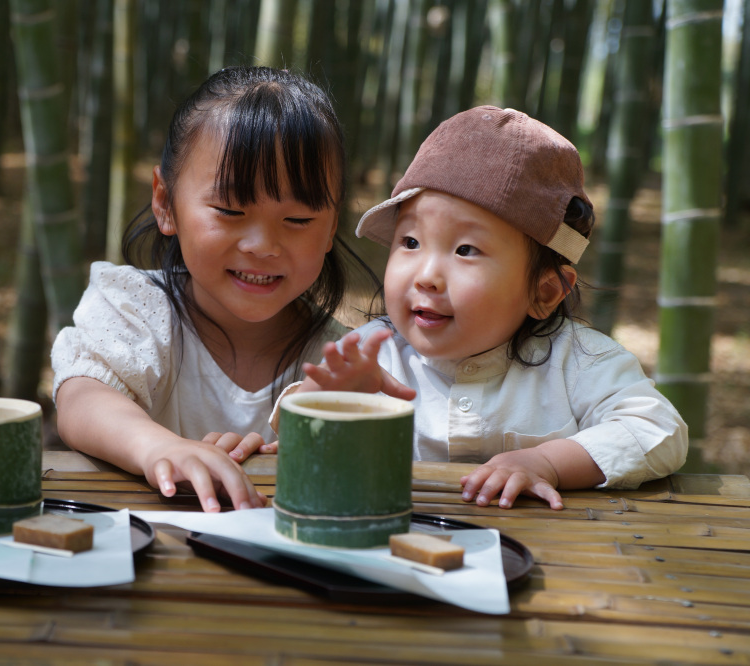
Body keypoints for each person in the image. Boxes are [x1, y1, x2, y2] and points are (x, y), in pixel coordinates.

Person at [291, 105, 688, 510]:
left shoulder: (579, 363)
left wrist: (546, 462)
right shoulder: (373, 355)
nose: (426, 275)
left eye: (466, 250)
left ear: (546, 292)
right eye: (410, 242)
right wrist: (325, 400)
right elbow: (291, 452)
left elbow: (657, 429)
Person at [52, 67, 374, 513]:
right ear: (165, 203)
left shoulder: (339, 359)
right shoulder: (138, 308)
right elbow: (81, 397)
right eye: (229, 210)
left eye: (298, 220)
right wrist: (159, 448)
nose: (262, 246)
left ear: (332, 227)